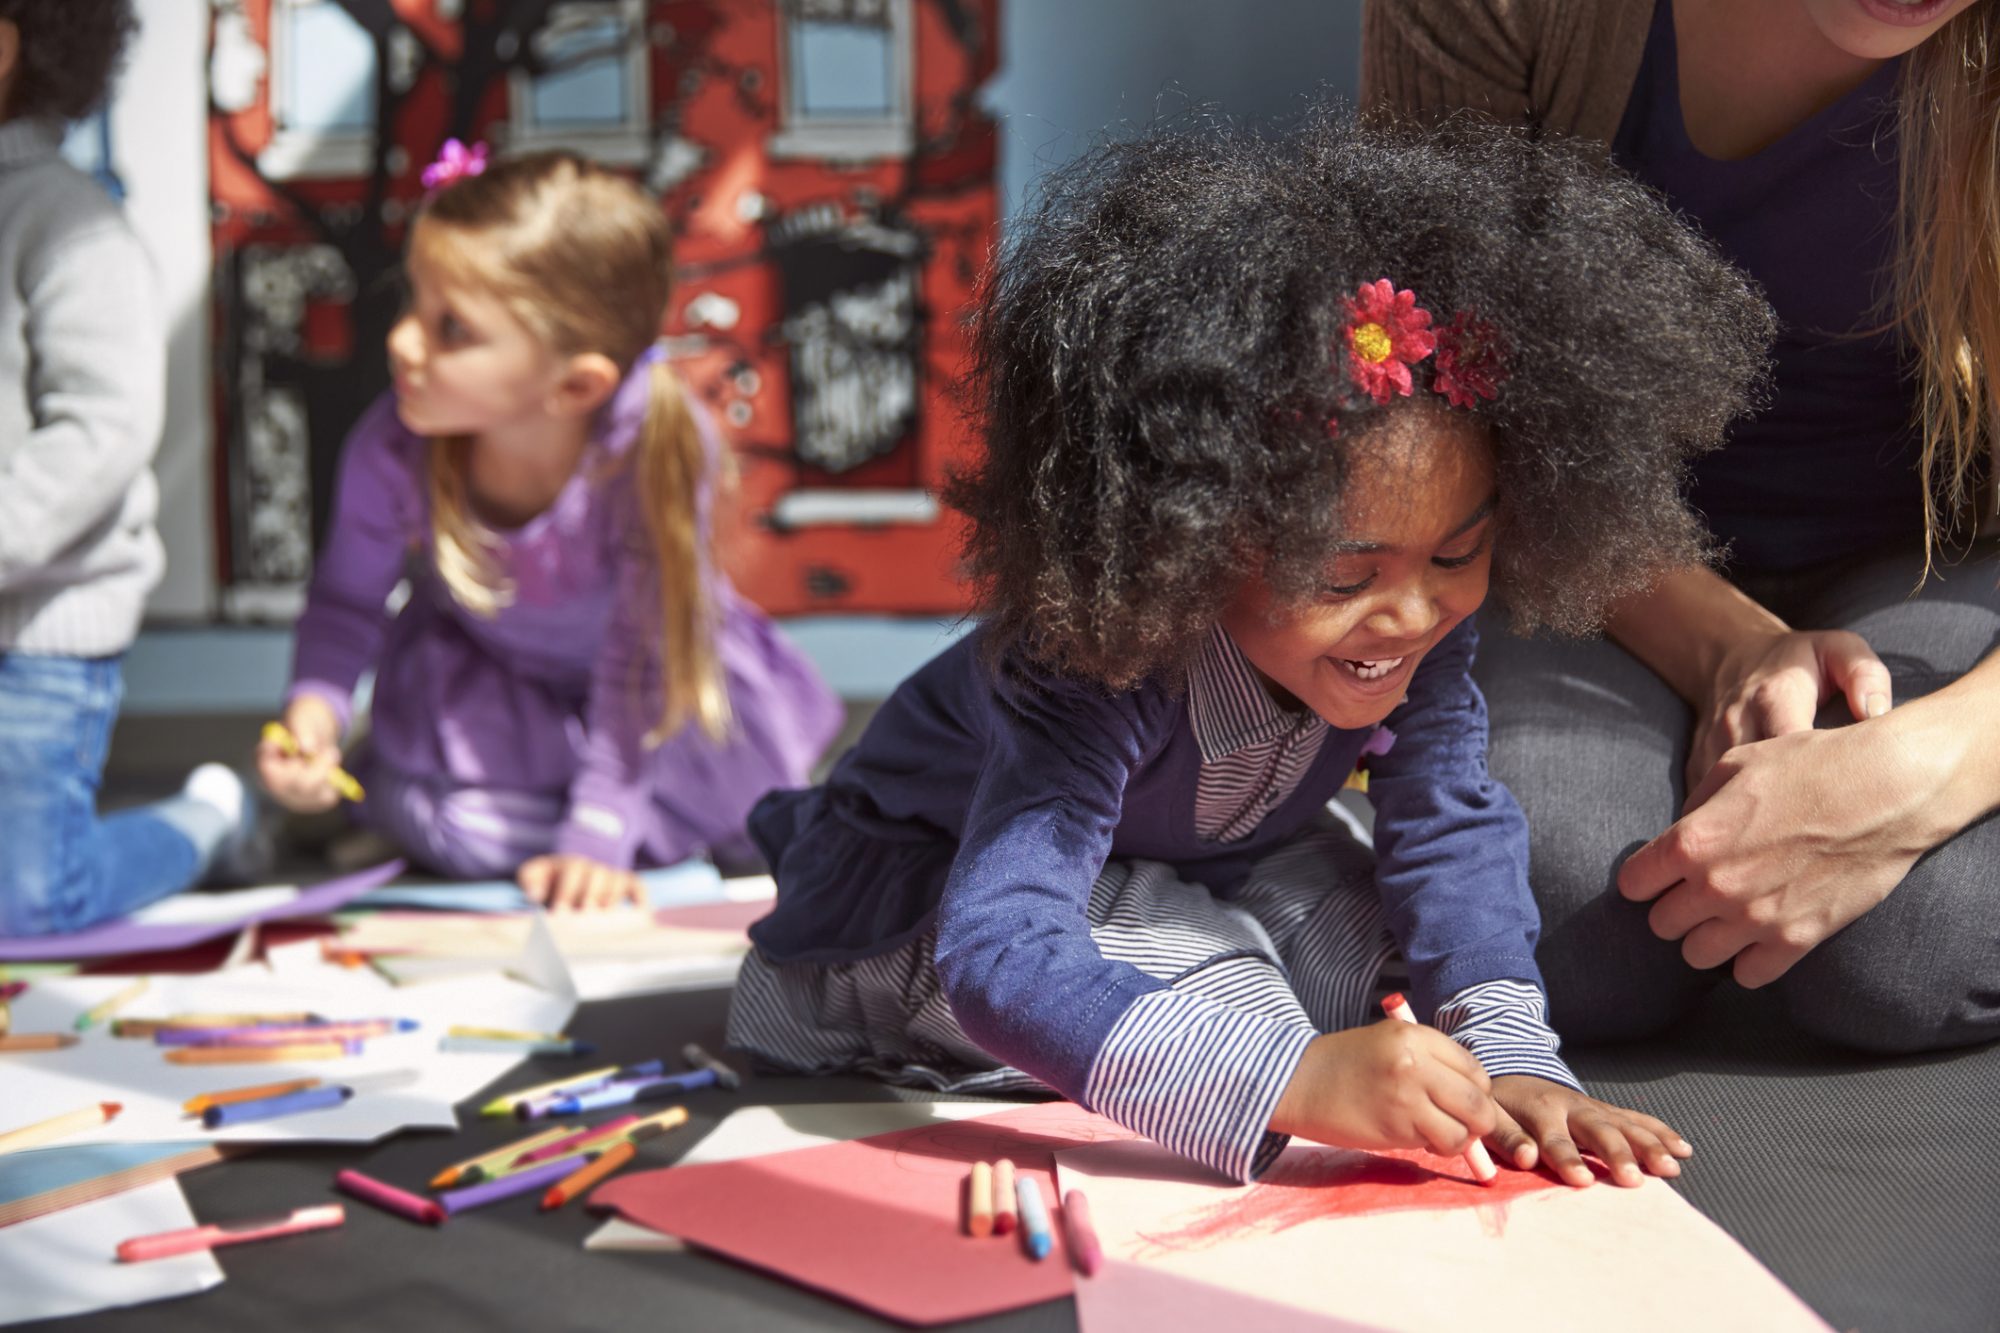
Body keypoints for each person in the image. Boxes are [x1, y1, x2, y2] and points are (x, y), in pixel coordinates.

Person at [725, 110, 1773, 1184]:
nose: (1409, 614)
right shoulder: (1090, 661)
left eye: (1456, 558)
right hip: (933, 891)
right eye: (1342, 576)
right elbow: (999, 949)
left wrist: (1510, 1059)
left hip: (1202, 860)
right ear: (1195, 534)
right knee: (1237, 994)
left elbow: (1449, 835)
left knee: (1400, 990)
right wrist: (1295, 1080)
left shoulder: (1414, 636)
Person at [1364, 0, 2000, 1053]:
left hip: (1940, 548)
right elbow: (1445, 387)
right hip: (1576, 547)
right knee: (1556, 914)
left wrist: (1920, 768)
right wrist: (1726, 646)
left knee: (1901, 948)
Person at [259, 147, 842, 911]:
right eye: (413, 304)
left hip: (652, 690)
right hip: (488, 683)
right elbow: (345, 603)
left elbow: (640, 657)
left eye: (451, 327)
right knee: (450, 823)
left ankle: (582, 816)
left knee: (752, 815)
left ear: (574, 385)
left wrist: (597, 831)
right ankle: (411, 796)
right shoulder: (393, 445)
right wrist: (314, 715)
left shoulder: (651, 447)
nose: (402, 340)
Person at [0, 0, 259, 936]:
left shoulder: (70, 225)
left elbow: (102, 428)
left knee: (31, 900)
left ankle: (209, 818)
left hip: (37, 634)